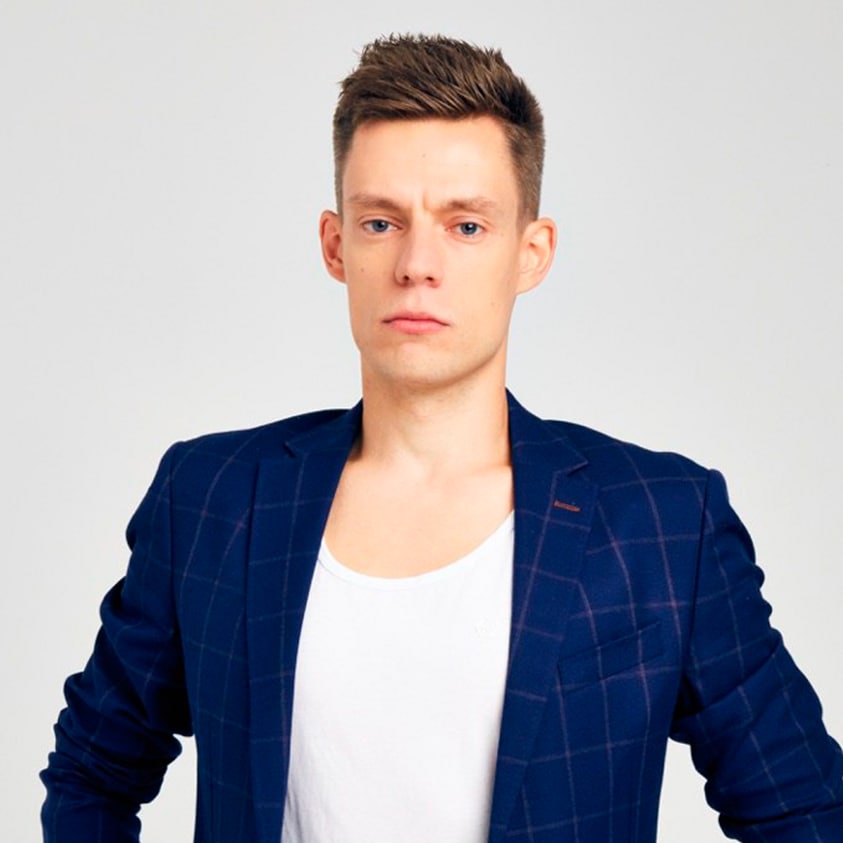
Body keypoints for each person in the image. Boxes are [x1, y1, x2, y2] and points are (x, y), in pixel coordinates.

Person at [41, 33, 843, 843]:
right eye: (381, 221)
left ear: (530, 253)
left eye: (465, 226)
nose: (416, 263)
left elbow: (803, 808)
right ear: (336, 246)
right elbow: (92, 773)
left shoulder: (660, 524)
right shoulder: (213, 498)